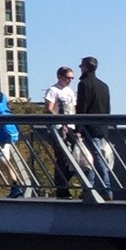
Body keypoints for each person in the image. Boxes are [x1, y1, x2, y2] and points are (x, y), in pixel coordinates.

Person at [75, 55, 116, 195]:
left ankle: (106, 189)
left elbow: (82, 107)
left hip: (89, 127)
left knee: (95, 157)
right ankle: (89, 188)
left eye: (81, 66)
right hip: (102, 127)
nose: (80, 68)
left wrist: (78, 128)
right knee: (94, 156)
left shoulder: (84, 84)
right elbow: (107, 108)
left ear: (85, 67)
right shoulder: (104, 86)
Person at [42, 66, 83, 199]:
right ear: (59, 76)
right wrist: (60, 120)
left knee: (74, 158)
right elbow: (48, 109)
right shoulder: (53, 90)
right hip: (58, 127)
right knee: (62, 159)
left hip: (70, 127)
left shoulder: (70, 91)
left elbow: (74, 108)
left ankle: (64, 185)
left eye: (71, 78)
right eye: (67, 78)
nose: (69, 80)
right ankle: (61, 189)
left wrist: (76, 126)